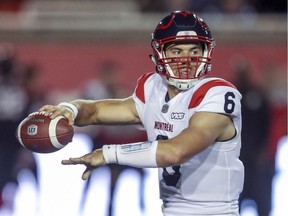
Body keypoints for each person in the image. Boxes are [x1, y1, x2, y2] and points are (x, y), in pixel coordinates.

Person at [39, 11, 244, 215]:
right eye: (177, 51)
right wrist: (70, 109)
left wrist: (108, 154)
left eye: (194, 51)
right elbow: (97, 111)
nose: (186, 59)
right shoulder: (153, 87)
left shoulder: (217, 93)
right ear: (159, 53)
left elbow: (176, 152)